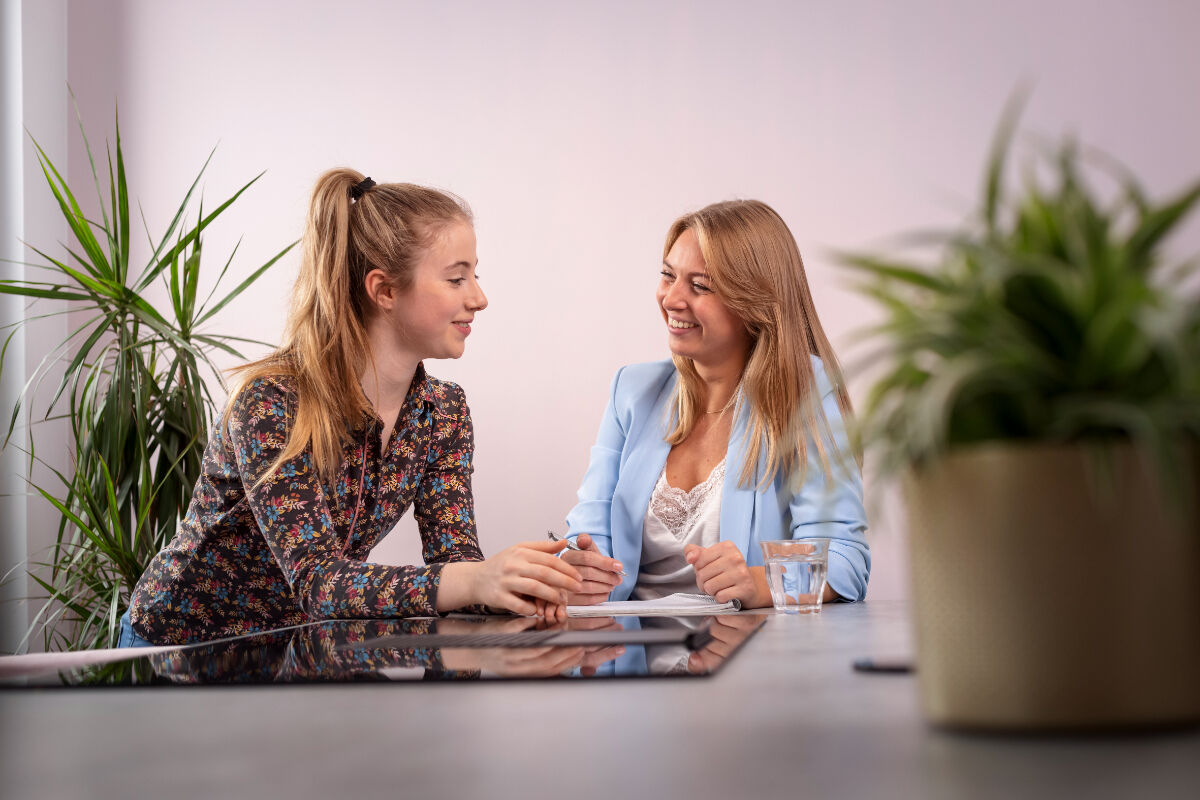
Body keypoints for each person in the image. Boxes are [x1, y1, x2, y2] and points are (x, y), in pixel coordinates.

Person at [122, 169, 581, 647]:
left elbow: (456, 563)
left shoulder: (444, 412)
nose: (479, 298)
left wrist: (536, 581)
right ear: (384, 291)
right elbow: (318, 581)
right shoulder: (271, 402)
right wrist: (475, 580)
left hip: (294, 647)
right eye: (456, 278)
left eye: (475, 276)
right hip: (179, 651)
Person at [562, 199, 869, 608]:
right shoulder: (632, 391)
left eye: (700, 286)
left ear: (754, 302)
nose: (671, 299)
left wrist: (758, 583)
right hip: (629, 643)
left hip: (742, 646)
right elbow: (588, 533)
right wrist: (580, 568)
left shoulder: (804, 389)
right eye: (668, 276)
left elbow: (845, 560)